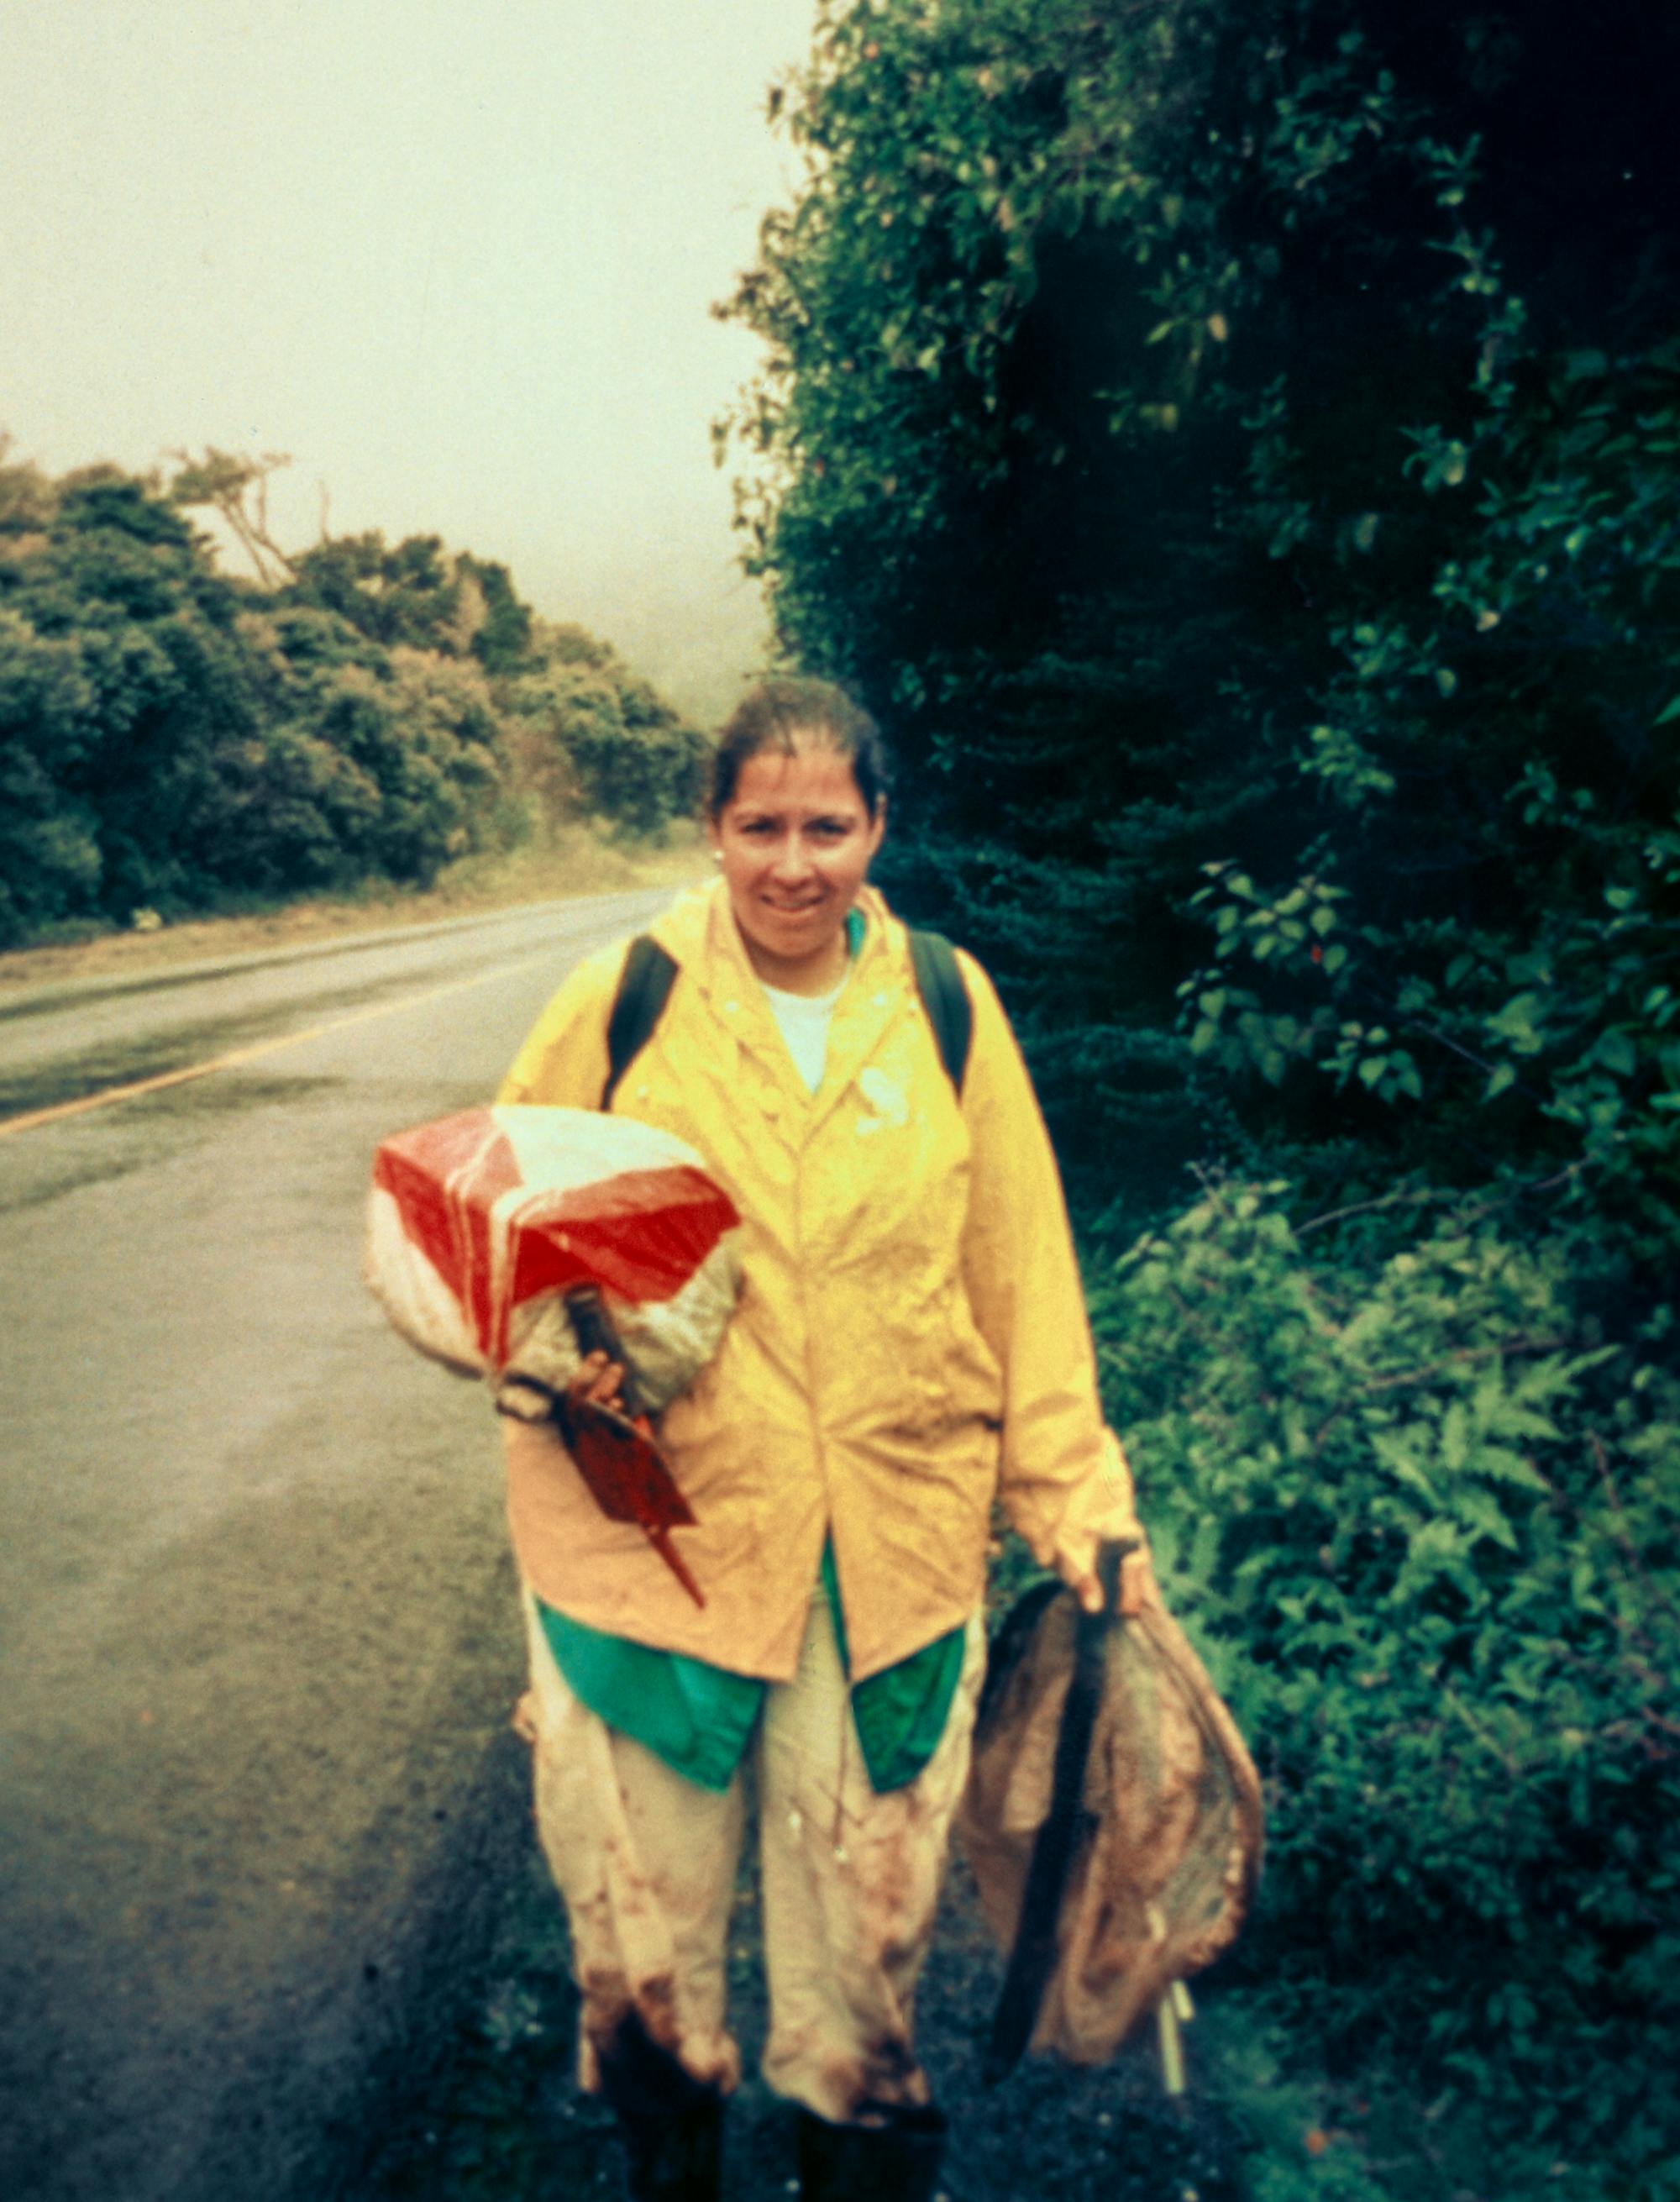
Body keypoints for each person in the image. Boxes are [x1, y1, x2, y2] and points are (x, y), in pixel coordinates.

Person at [496, 677, 1152, 2202]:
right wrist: (567, 1350)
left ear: (880, 829)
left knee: (865, 1974)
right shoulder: (625, 998)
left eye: (829, 827)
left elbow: (1023, 1272)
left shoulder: (945, 1002)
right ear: (713, 829)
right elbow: (500, 1228)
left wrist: (1078, 1498)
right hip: (646, 1553)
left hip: (893, 1562)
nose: (795, 863)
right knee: (643, 1964)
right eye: (761, 826)